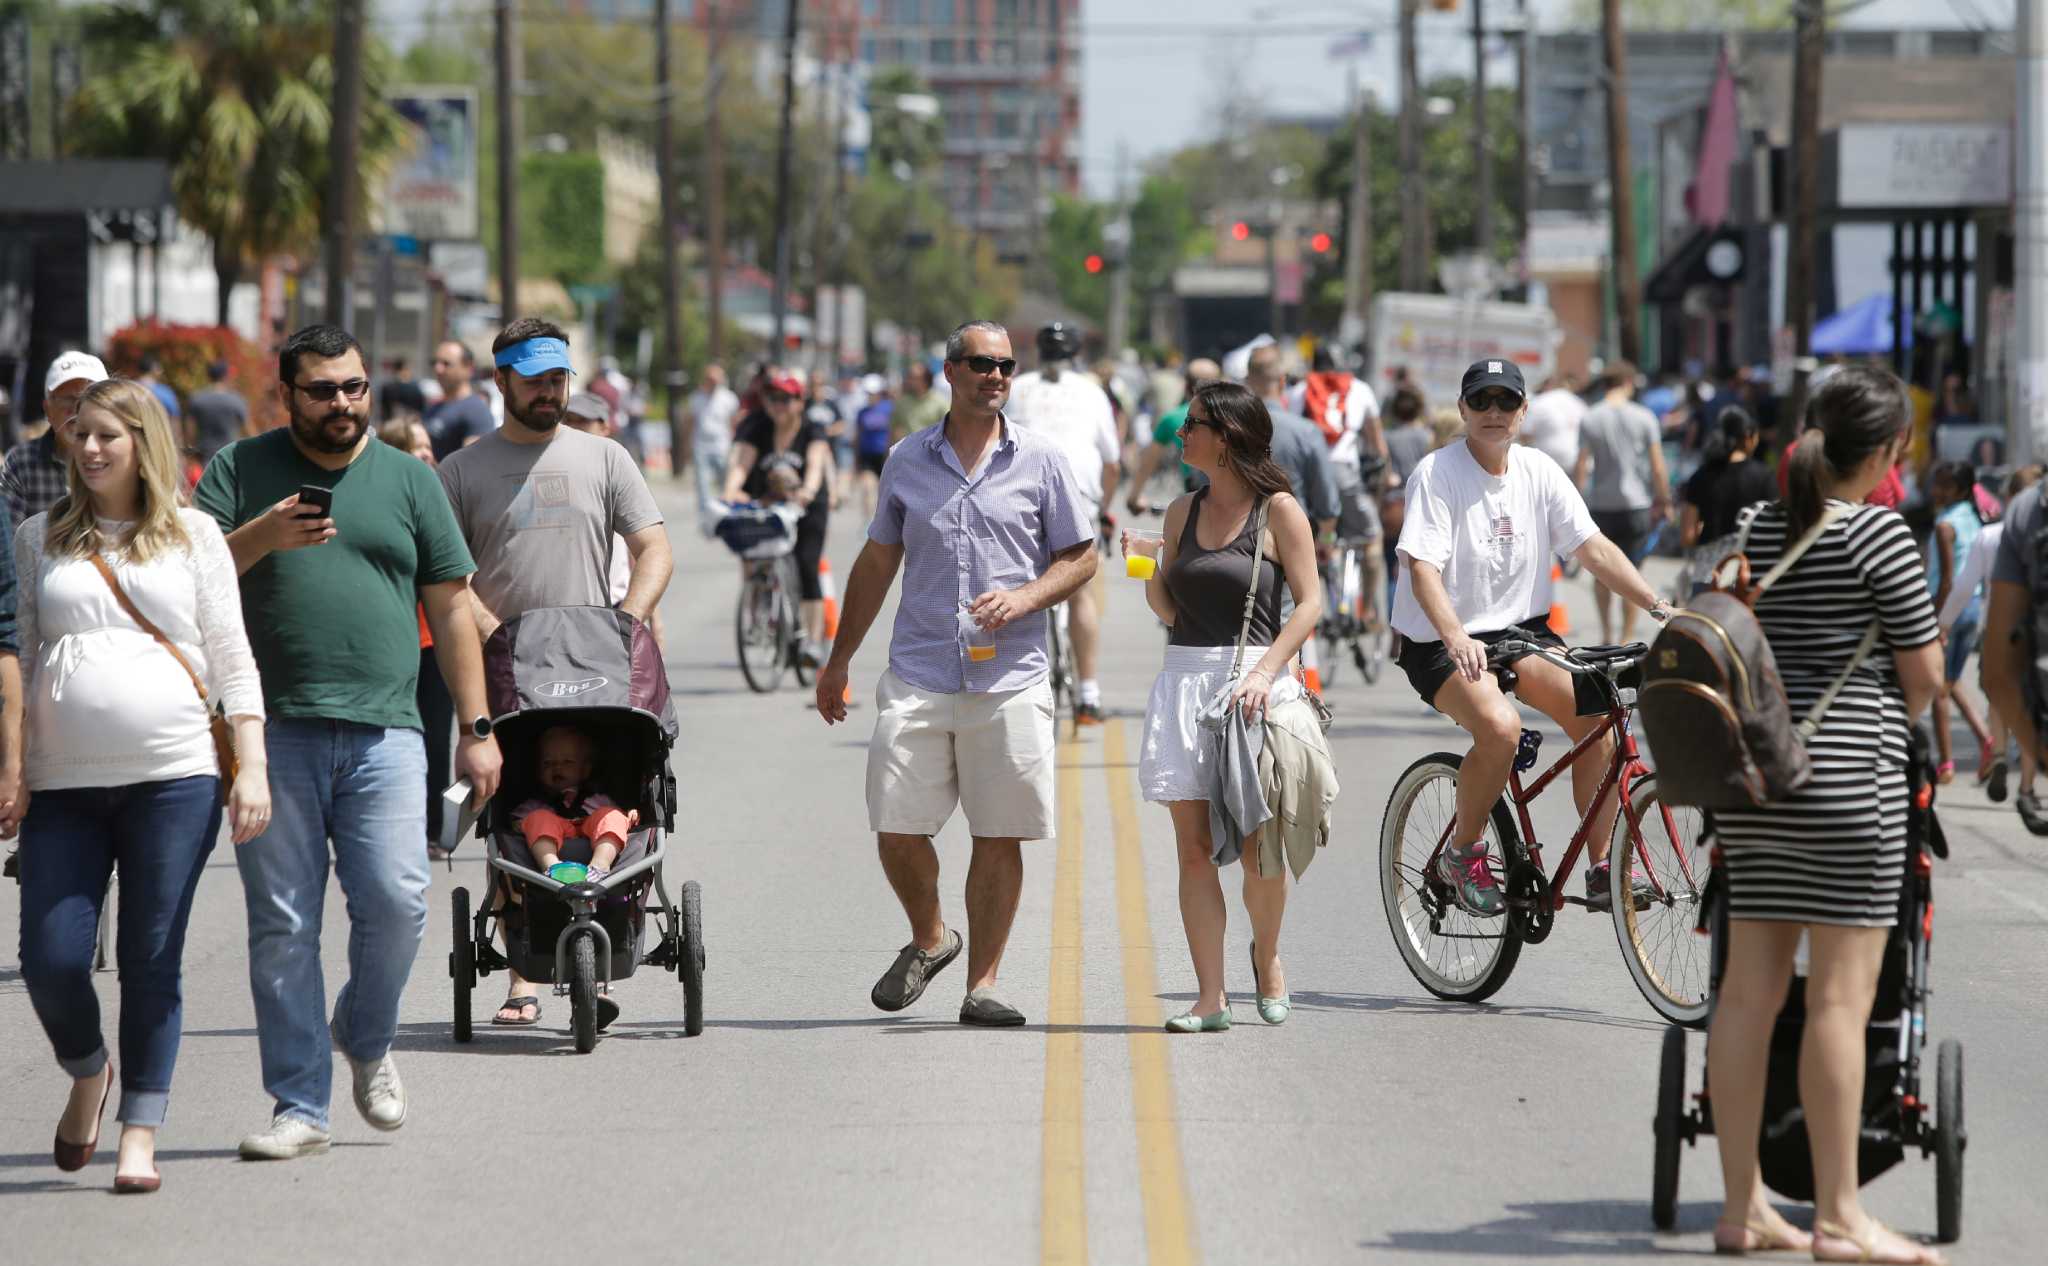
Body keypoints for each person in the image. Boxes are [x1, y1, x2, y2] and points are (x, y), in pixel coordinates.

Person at [194, 323, 503, 1160]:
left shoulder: (409, 480)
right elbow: (187, 577)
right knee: (284, 923)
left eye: (355, 387)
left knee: (399, 903)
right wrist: (264, 534)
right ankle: (301, 1105)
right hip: (271, 732)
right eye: (324, 389)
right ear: (286, 394)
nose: (343, 403)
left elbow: (450, 605)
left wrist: (477, 729)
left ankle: (365, 1036)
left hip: (388, 732)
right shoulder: (238, 472)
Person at [1703, 366, 1945, 1263]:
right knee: (1840, 999)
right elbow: (1920, 685)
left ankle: (1743, 1209)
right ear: (1889, 452)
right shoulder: (1882, 536)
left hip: (1756, 785)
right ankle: (1839, 1217)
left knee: (1747, 994)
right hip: (1851, 789)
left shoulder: (1755, 529)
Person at [5, 378, 270, 1193]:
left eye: (107, 437)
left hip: (175, 777)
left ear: (143, 443)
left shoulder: (194, 536)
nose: (88, 450)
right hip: (62, 784)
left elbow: (231, 655)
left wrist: (251, 762)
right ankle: (90, 1072)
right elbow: (22, 657)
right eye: (80, 434)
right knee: (50, 960)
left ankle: (140, 1135)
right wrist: (11, 767)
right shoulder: (37, 536)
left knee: (151, 957)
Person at [814, 320, 1097, 1028]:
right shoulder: (909, 459)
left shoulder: (1042, 460)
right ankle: (932, 936)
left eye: (1005, 366)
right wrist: (839, 658)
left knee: (998, 831)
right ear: (949, 371)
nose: (995, 376)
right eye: (980, 363)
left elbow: (1082, 556)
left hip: (1012, 675)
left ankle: (984, 984)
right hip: (919, 669)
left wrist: (1027, 597)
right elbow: (879, 559)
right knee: (895, 823)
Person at [439, 319, 671, 1027]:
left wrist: (625, 622)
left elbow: (653, 548)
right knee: (508, 809)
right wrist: (492, 631)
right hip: (502, 671)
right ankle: (521, 976)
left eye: (558, 378)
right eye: (534, 378)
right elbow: (446, 576)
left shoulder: (604, 458)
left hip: (595, 672)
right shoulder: (462, 471)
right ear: (501, 379)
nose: (549, 391)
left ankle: (597, 958)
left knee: (599, 799)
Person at [1393, 359, 1669, 918]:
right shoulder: (1437, 473)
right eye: (1481, 402)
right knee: (1499, 727)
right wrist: (1455, 638)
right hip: (1440, 639)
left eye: (1505, 402)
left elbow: (1593, 548)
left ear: (1523, 411)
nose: (1493, 413)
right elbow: (1422, 567)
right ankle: (1463, 851)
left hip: (1521, 632)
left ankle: (1602, 867)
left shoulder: (1539, 470)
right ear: (1464, 408)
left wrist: (1660, 607)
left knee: (1599, 713)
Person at [1127, 382, 1323, 1032]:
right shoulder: (1183, 509)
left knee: (1259, 847)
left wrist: (1267, 672)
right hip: (1185, 681)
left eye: (1193, 425)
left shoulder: (1279, 511)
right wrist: (1143, 568)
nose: (1181, 436)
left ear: (1228, 435)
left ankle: (1267, 959)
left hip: (1254, 685)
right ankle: (1211, 997)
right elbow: (1169, 611)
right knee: (1192, 850)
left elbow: (1311, 604)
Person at [1008, 322, 1122, 725]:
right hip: (1080, 496)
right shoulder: (1093, 391)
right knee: (1080, 594)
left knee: (1019, 584)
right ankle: (1088, 694)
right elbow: (1112, 463)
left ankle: (1010, 684)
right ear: (1075, 355)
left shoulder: (1017, 388)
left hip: (1022, 494)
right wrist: (1106, 507)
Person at [373, 418, 458, 860]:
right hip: (390, 641)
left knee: (435, 736)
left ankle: (434, 829)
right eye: (414, 448)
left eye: (427, 446)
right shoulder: (380, 503)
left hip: (434, 640)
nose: (426, 455)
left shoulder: (440, 499)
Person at [1940, 465, 2043, 818]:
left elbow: (1965, 585)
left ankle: (1999, 753)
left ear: (2009, 498)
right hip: (2038, 634)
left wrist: (1943, 623)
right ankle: (2027, 787)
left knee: (2001, 694)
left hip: (1996, 629)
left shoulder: (1991, 536)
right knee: (2032, 707)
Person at [723, 367, 834, 667]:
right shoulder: (756, 425)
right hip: (768, 503)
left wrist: (808, 491)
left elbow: (815, 464)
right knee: (754, 555)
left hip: (807, 505)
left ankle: (811, 641)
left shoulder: (812, 428)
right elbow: (742, 463)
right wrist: (731, 489)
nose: (778, 405)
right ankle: (760, 616)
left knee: (807, 563)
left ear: (799, 401)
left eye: (785, 399)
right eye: (772, 398)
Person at [1573, 360, 1671, 642]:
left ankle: (1605, 633)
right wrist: (1663, 499)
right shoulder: (1644, 416)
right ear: (1628, 383)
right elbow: (1657, 466)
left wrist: (1578, 500)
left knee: (1600, 572)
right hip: (1636, 504)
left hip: (1602, 504)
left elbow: (1582, 465)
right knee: (1632, 572)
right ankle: (1626, 638)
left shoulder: (1590, 417)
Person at [1983, 466, 2048, 836]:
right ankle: (2025, 785)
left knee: (2016, 698)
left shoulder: (2027, 513)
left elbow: (1996, 675)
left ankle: (1999, 757)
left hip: (2010, 630)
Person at [1924, 461, 1994, 785]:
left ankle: (1946, 764)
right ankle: (1986, 740)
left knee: (1939, 689)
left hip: (1952, 609)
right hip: (1974, 606)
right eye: (1936, 483)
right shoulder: (1972, 516)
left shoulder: (1945, 526)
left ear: (1962, 490)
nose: (1937, 491)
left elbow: (1948, 581)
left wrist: (1938, 620)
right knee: (1951, 681)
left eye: (1944, 486)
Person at [511, 725, 636, 882]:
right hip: (552, 840)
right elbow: (517, 822)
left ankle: (600, 866)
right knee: (537, 818)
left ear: (585, 769)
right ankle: (552, 867)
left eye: (568, 762)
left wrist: (628, 817)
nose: (557, 767)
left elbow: (617, 821)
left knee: (611, 816)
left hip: (593, 833)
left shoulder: (597, 798)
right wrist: (519, 824)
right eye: (548, 763)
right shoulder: (536, 803)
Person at [5, 352, 108, 530]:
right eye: (68, 400)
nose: (78, 410)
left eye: (90, 399)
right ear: (48, 410)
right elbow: (6, 547)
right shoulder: (22, 462)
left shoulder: (126, 458)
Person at [1127, 359, 1223, 514]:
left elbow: (1148, 462)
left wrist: (1134, 497)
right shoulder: (1234, 414)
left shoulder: (1173, 418)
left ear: (1185, 386)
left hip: (1195, 497)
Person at [1679, 405, 1777, 551]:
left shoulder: (1700, 476)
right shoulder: (1765, 476)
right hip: (1749, 564)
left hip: (1710, 568)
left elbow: (1687, 537)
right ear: (1748, 437)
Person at [423, 340, 496, 462]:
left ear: (468, 368)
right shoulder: (434, 407)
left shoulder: (476, 411)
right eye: (434, 362)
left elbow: (472, 465)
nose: (438, 369)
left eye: (446, 364)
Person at [688, 364, 742, 525]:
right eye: (711, 379)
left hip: (722, 446)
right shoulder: (696, 398)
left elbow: (734, 422)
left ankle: (725, 512)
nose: (714, 383)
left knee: (725, 482)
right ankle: (706, 518)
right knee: (703, 484)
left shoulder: (729, 398)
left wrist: (736, 445)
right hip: (701, 446)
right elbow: (690, 422)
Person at [187, 361, 250, 469]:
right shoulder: (237, 400)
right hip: (230, 457)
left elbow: (190, 432)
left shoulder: (197, 399)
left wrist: (191, 454)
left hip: (204, 458)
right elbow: (248, 430)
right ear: (226, 376)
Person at [1522, 373, 1587, 475]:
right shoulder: (1579, 403)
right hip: (1576, 464)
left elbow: (1525, 434)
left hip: (1545, 467)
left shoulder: (1540, 402)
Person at [852, 374, 895, 517]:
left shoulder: (889, 409)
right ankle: (868, 521)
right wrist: (856, 462)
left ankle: (882, 521)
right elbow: (858, 437)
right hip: (867, 456)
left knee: (884, 493)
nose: (870, 396)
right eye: (868, 393)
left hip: (885, 456)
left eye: (873, 393)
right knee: (867, 488)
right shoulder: (862, 412)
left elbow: (894, 433)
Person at [890, 360, 948, 447]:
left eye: (913, 378)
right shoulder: (901, 403)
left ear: (925, 380)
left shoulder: (940, 403)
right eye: (909, 377)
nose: (909, 380)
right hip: (907, 454)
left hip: (932, 454)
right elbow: (893, 429)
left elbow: (949, 431)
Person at [377, 358, 427, 422]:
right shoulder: (390, 388)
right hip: (398, 423)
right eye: (406, 369)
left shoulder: (388, 387)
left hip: (402, 423)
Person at [135, 355, 180, 423]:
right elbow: (174, 418)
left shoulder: (129, 388)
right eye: (159, 367)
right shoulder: (165, 392)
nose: (161, 371)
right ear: (154, 369)